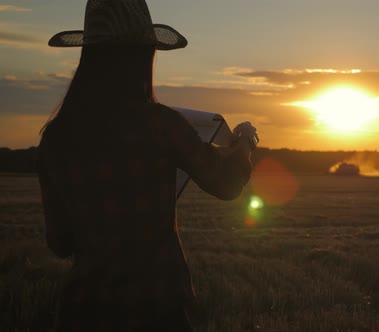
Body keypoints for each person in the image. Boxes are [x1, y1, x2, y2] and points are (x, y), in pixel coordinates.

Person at [37, 1, 258, 330]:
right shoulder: (161, 125)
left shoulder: (55, 138)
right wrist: (246, 142)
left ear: (89, 56)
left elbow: (59, 243)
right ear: (142, 55)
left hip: (83, 313)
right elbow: (225, 185)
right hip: (158, 309)